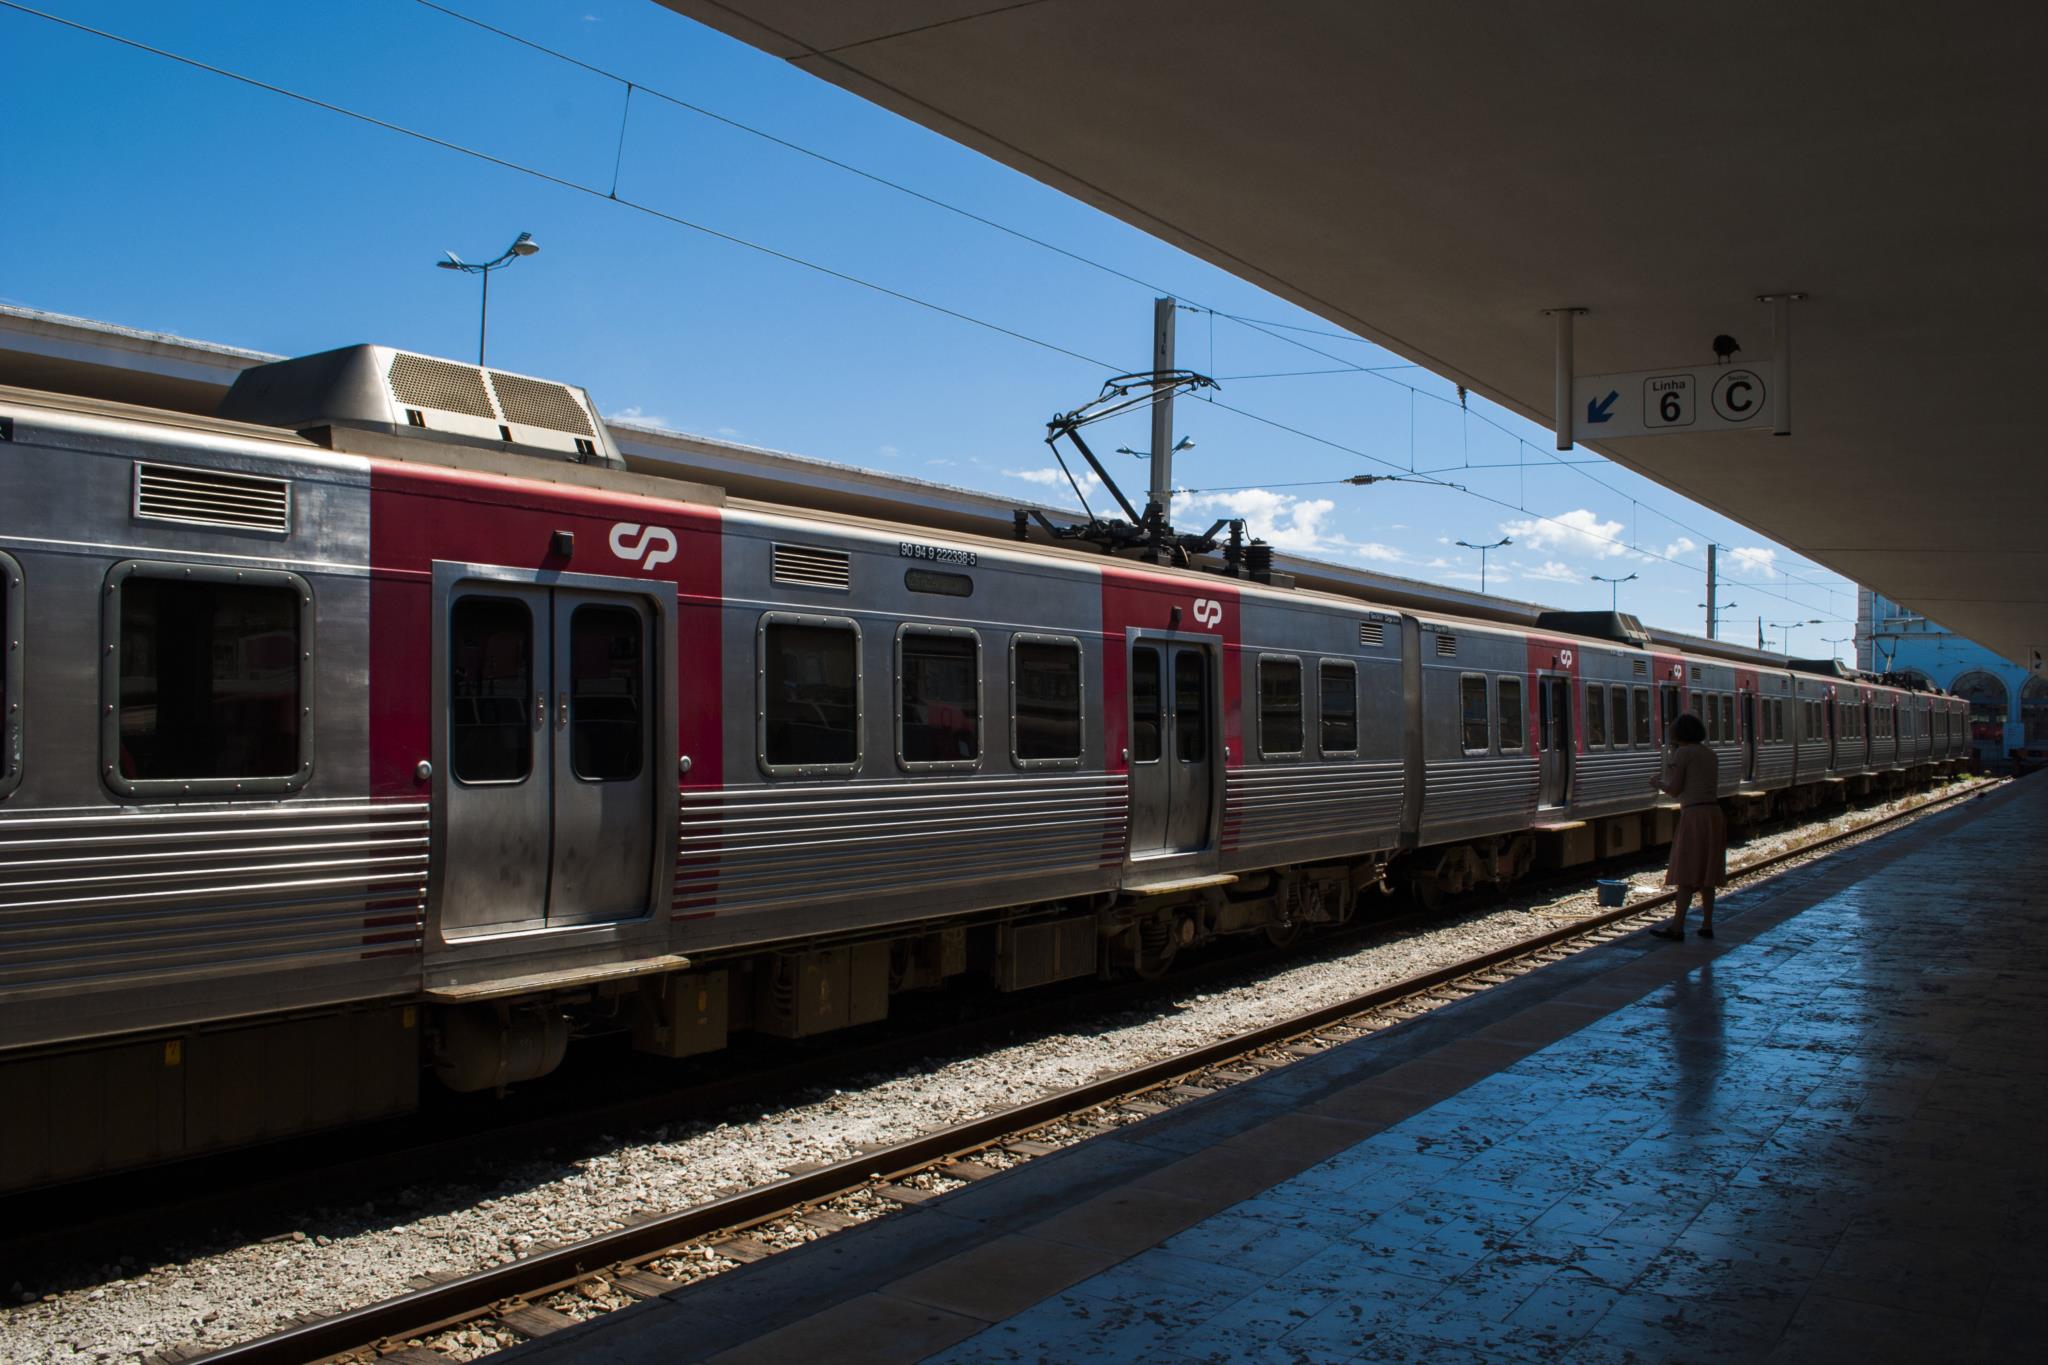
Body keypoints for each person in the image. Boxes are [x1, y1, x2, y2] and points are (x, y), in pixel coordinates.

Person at [1651, 712, 1725, 939]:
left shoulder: (1683, 753)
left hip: (1693, 815)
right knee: (1707, 874)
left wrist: (1658, 783)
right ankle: (1707, 924)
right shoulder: (1710, 754)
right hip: (1713, 813)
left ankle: (1678, 926)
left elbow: (1675, 790)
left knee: (1686, 873)